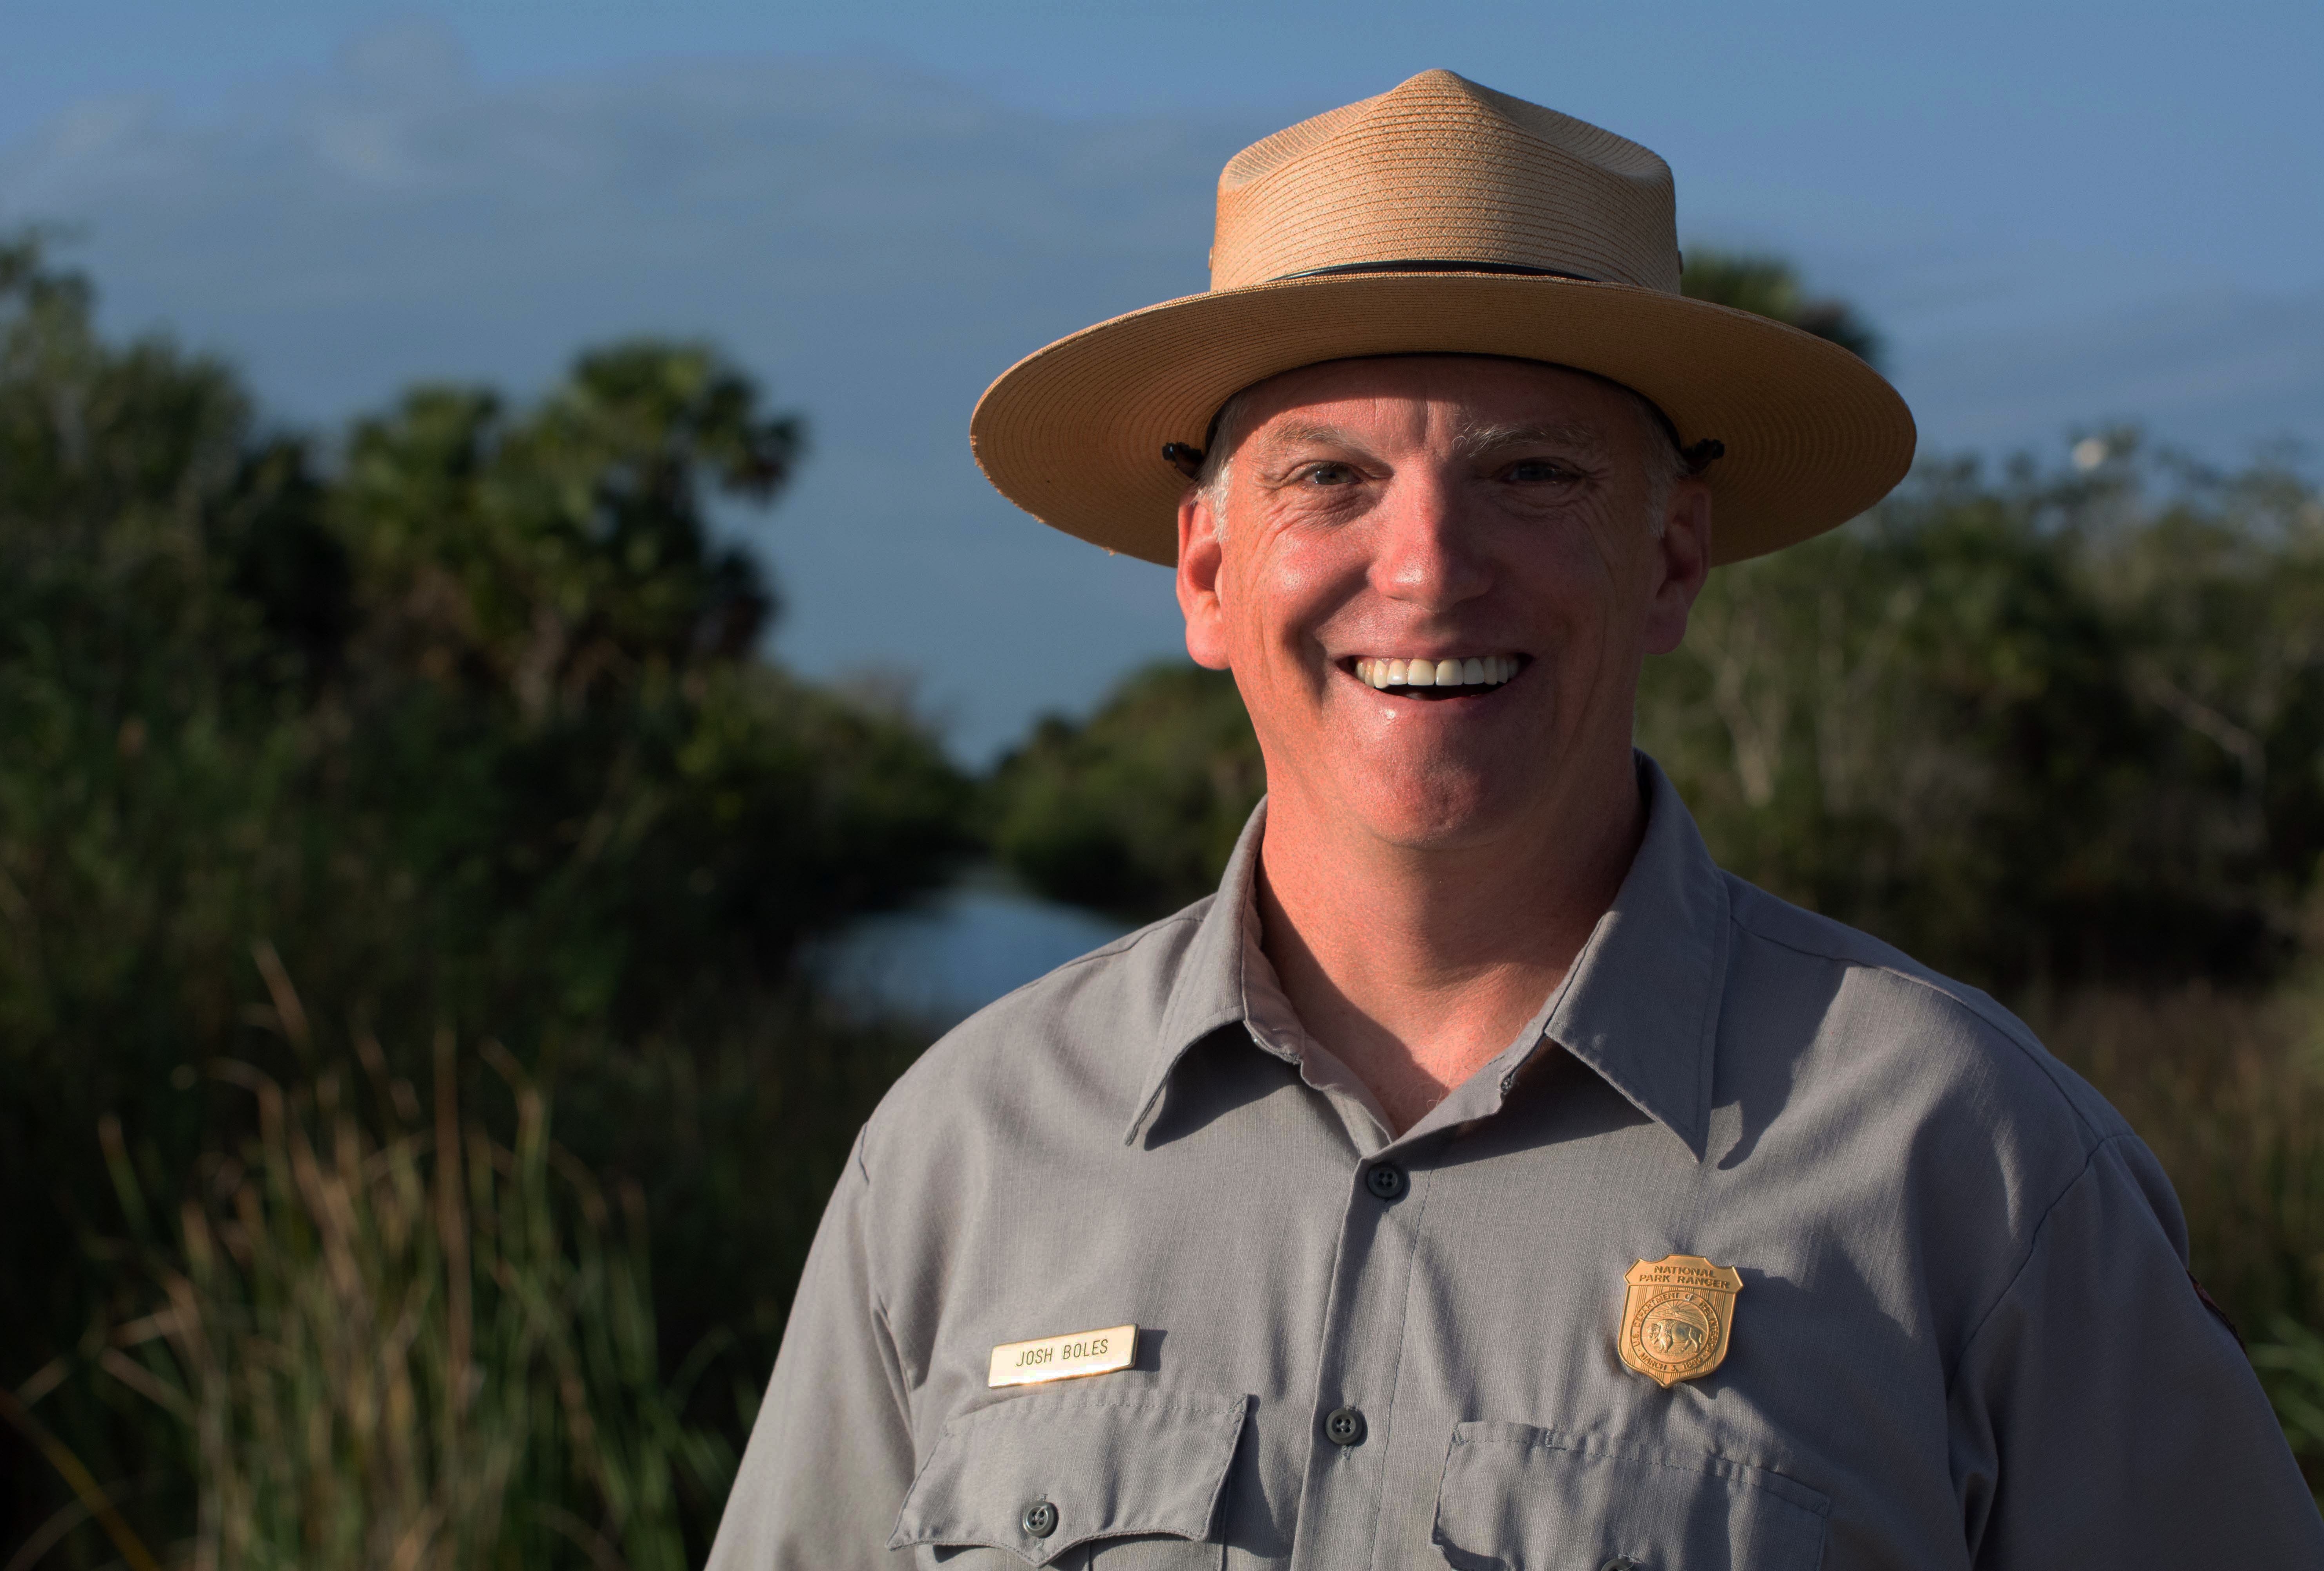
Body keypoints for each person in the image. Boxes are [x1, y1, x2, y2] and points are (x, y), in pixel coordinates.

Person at [707, 70, 2322, 1568]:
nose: (1424, 566)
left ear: (1673, 558)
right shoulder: (965, 1151)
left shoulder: (1967, 1160)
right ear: (1206, 572)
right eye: (1328, 480)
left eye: (1532, 475)